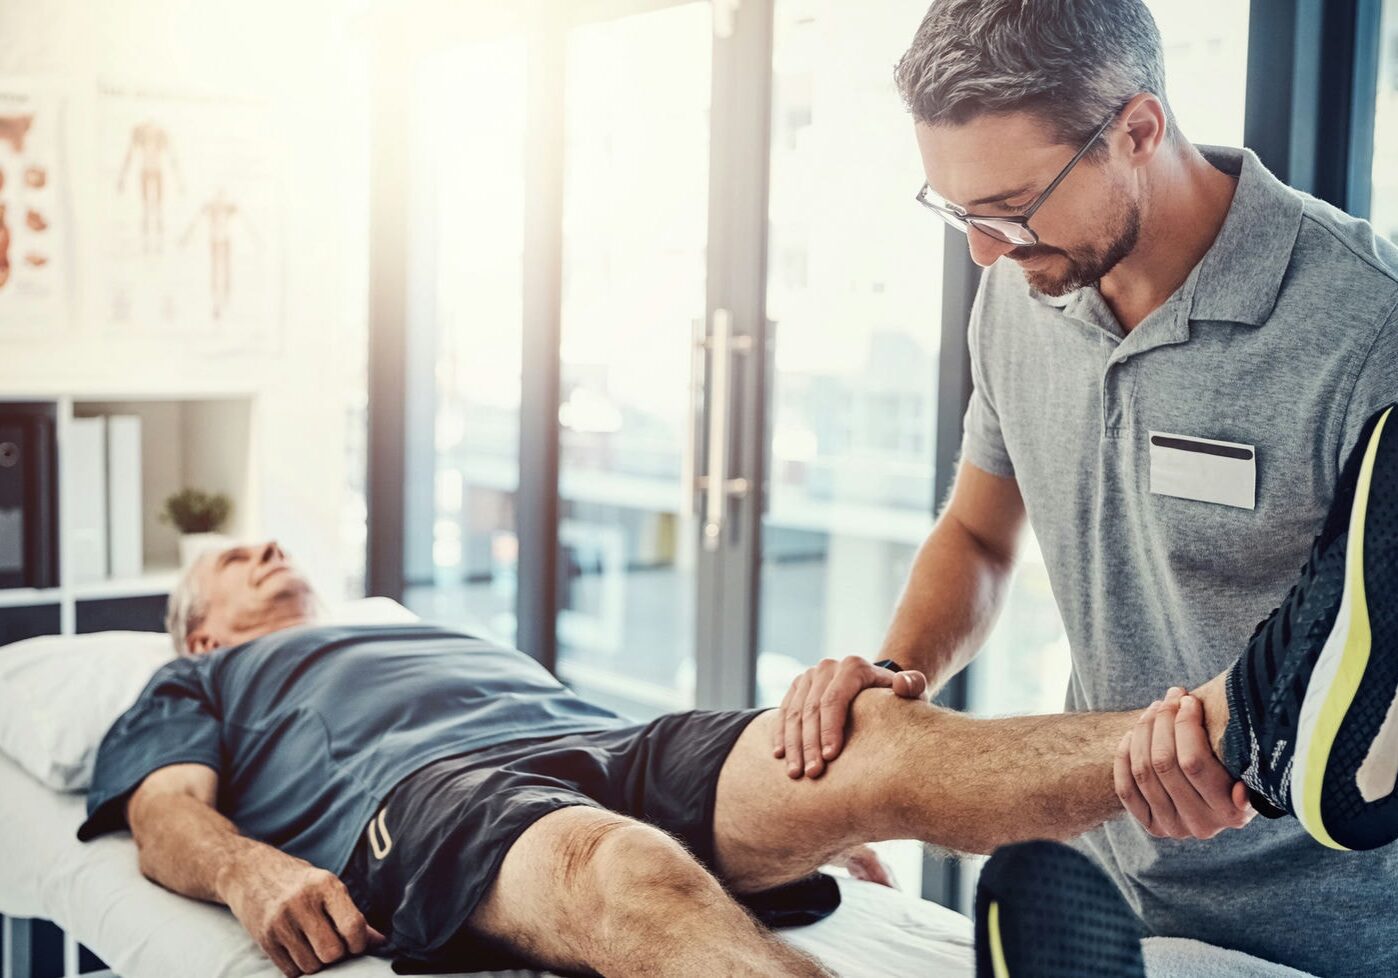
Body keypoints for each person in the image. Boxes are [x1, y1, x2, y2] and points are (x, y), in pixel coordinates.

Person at [77, 399, 1398, 977]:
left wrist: (805, 821)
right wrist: (252, 875)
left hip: (604, 731)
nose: (268, 551)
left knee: (869, 743)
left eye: (273, 540)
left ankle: (1255, 722)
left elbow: (602, 730)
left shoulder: (423, 627)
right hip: (431, 801)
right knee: (615, 870)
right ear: (199, 632)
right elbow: (163, 813)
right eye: (239, 562)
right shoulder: (214, 679)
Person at [775, 2, 1398, 974]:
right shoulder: (1023, 289)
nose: (984, 249)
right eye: (959, 212)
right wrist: (895, 685)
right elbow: (981, 536)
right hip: (1090, 892)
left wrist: (1249, 770)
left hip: (1321, 923)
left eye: (1011, 205)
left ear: (1138, 131)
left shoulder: (1364, 324)